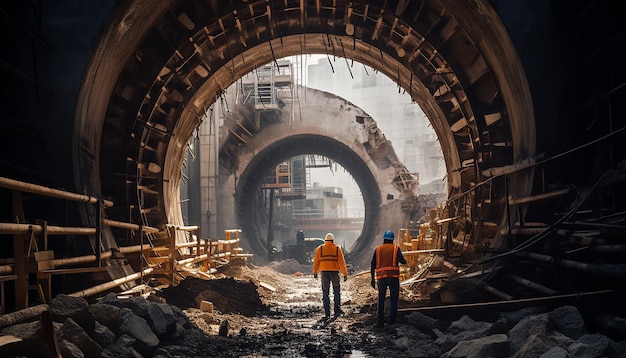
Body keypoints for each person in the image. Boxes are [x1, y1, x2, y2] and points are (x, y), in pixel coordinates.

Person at [371, 229, 406, 328]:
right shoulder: (396, 248)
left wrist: (372, 279)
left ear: (384, 239)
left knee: (381, 299)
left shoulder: (378, 249)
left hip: (381, 278)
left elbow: (372, 264)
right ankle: (391, 322)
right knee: (394, 299)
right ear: (392, 240)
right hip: (393, 277)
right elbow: (403, 261)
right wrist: (402, 261)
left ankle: (380, 322)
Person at [312, 232, 348, 320]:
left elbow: (316, 261)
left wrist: (315, 272)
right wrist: (345, 274)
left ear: (325, 240)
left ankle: (327, 313)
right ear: (332, 240)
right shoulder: (337, 248)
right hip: (334, 272)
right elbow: (341, 262)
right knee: (336, 291)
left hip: (324, 272)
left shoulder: (319, 249)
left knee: (325, 292)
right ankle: (337, 310)